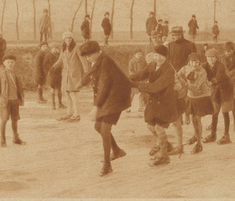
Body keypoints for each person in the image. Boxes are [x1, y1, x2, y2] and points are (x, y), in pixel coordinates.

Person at [77, 41, 131, 176]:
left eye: (88, 55)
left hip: (116, 98)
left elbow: (104, 85)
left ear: (96, 52)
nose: (87, 58)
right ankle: (117, 151)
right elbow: (90, 72)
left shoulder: (106, 62)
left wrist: (96, 107)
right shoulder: (98, 60)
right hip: (108, 97)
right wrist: (81, 83)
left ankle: (107, 165)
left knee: (105, 129)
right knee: (98, 127)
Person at [129, 44, 178, 166]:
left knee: (159, 127)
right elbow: (141, 74)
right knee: (150, 126)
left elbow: (155, 87)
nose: (158, 58)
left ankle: (164, 156)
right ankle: (166, 144)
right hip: (154, 102)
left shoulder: (169, 70)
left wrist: (136, 85)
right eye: (156, 55)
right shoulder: (152, 65)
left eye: (161, 56)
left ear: (165, 57)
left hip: (166, 102)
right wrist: (128, 78)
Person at [166, 26, 197, 155]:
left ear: (182, 34)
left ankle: (188, 117)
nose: (175, 36)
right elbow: (167, 61)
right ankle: (181, 117)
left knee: (188, 98)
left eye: (177, 34)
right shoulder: (170, 45)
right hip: (174, 76)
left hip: (186, 75)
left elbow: (194, 61)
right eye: (173, 34)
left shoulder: (190, 45)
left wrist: (188, 74)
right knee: (177, 100)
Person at [177, 53, 214, 154]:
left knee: (197, 119)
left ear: (200, 62)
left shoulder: (202, 72)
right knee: (194, 119)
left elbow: (195, 87)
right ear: (189, 62)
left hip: (202, 96)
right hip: (191, 96)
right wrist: (178, 79)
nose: (194, 64)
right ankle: (196, 135)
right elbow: (177, 75)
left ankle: (199, 144)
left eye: (196, 62)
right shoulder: (185, 68)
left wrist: (183, 83)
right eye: (192, 62)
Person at [50, 32, 89, 122]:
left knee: (73, 94)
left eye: (70, 38)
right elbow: (60, 60)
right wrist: (53, 67)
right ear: (64, 40)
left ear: (72, 39)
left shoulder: (77, 48)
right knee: (67, 94)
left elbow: (83, 61)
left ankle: (76, 115)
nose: (68, 40)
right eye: (66, 38)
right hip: (66, 75)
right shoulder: (63, 49)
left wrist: (87, 72)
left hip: (74, 75)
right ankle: (69, 113)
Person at [201, 48, 235, 144]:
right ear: (206, 58)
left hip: (225, 91)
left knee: (225, 112)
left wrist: (209, 82)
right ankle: (213, 135)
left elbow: (218, 77)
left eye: (213, 57)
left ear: (216, 58)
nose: (210, 59)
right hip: (216, 92)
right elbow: (199, 72)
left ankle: (226, 135)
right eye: (208, 57)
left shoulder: (220, 66)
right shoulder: (204, 66)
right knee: (214, 112)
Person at [0, 55, 25, 147]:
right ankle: (2, 140)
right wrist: (1, 100)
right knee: (4, 120)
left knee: (15, 120)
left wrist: (21, 96)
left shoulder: (16, 74)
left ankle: (16, 138)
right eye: (8, 62)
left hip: (15, 101)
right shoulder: (0, 75)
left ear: (14, 63)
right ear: (4, 63)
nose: (10, 64)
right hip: (5, 102)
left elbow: (20, 87)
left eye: (12, 62)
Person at [219, 41, 235, 131]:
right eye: (226, 51)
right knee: (220, 101)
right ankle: (213, 122)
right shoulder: (221, 58)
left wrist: (230, 74)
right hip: (223, 82)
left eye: (230, 50)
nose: (228, 52)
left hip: (233, 81)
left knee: (234, 101)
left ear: (233, 50)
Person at [43, 42, 66, 110]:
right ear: (52, 49)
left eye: (58, 48)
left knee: (59, 89)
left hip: (59, 74)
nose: (58, 50)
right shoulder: (48, 56)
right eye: (56, 48)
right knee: (52, 89)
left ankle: (60, 103)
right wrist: (49, 73)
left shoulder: (59, 55)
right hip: (52, 75)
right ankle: (53, 104)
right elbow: (44, 66)